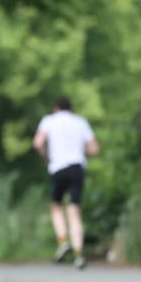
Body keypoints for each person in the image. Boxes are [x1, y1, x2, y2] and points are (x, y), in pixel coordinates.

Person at [33, 96, 99, 270]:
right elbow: (94, 148)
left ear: (56, 109)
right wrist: (79, 151)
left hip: (58, 168)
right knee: (74, 210)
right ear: (72, 109)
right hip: (77, 167)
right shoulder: (80, 122)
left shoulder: (49, 120)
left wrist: (47, 157)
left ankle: (62, 241)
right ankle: (78, 254)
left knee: (56, 205)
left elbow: (38, 143)